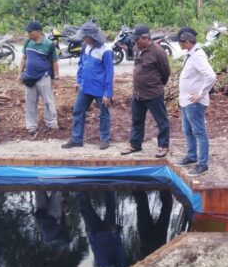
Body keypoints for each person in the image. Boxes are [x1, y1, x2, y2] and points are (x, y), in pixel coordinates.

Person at [172, 27, 216, 177]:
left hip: (194, 102)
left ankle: (202, 164)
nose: (179, 44)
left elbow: (211, 76)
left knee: (199, 132)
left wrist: (201, 93)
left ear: (188, 42)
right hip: (186, 101)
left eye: (181, 42)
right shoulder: (190, 54)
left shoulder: (198, 56)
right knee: (188, 130)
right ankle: (191, 156)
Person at [62, 21, 114, 150]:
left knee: (104, 114)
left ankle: (104, 139)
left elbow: (109, 73)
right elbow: (81, 64)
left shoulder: (106, 50)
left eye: (86, 37)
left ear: (93, 37)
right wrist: (78, 81)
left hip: (100, 89)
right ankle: (76, 139)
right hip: (85, 87)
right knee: (78, 111)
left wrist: (108, 93)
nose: (84, 39)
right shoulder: (86, 46)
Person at [121, 24, 171, 158]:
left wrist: (157, 85)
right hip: (137, 93)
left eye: (137, 39)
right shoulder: (137, 48)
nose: (135, 42)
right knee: (137, 120)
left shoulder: (158, 52)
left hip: (154, 93)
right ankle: (135, 145)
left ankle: (163, 146)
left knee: (161, 121)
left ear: (145, 37)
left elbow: (166, 72)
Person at [77, 191, 125, 267]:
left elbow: (95, 249)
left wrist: (90, 236)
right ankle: (109, 187)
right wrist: (115, 233)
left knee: (86, 210)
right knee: (110, 208)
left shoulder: (101, 266)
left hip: (95, 233)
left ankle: (81, 189)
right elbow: (119, 249)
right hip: (109, 232)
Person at [20, 21, 60, 135]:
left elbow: (54, 61)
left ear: (38, 32)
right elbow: (23, 58)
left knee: (48, 101)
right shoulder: (28, 42)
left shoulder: (49, 44)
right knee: (30, 102)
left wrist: (56, 77)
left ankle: (51, 122)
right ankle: (31, 125)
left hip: (44, 76)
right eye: (27, 32)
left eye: (30, 32)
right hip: (29, 77)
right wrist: (20, 74)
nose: (28, 34)